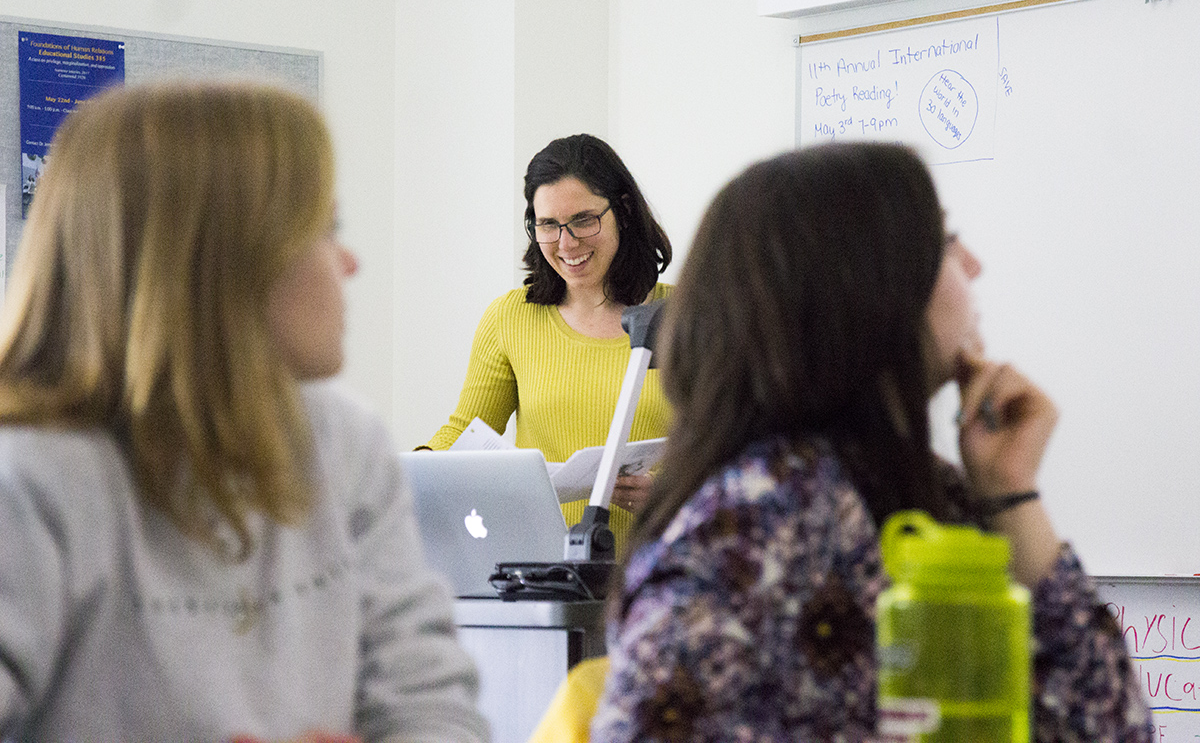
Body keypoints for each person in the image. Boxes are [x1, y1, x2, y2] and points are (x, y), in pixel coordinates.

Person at [590, 142, 1154, 742]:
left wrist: (1010, 490)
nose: (975, 265)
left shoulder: (912, 486)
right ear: (865, 290)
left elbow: (1105, 728)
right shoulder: (751, 530)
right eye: (944, 243)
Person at [0, 81, 489, 743]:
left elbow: (431, 701)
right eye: (323, 231)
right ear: (219, 261)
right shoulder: (29, 479)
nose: (348, 262)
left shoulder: (346, 442)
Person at [425, 134, 672, 552]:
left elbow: (733, 453)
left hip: (660, 570)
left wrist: (670, 491)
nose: (566, 243)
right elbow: (464, 430)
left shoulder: (688, 317)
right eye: (548, 225)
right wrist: (413, 473)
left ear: (624, 212)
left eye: (583, 220)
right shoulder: (511, 317)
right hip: (541, 573)